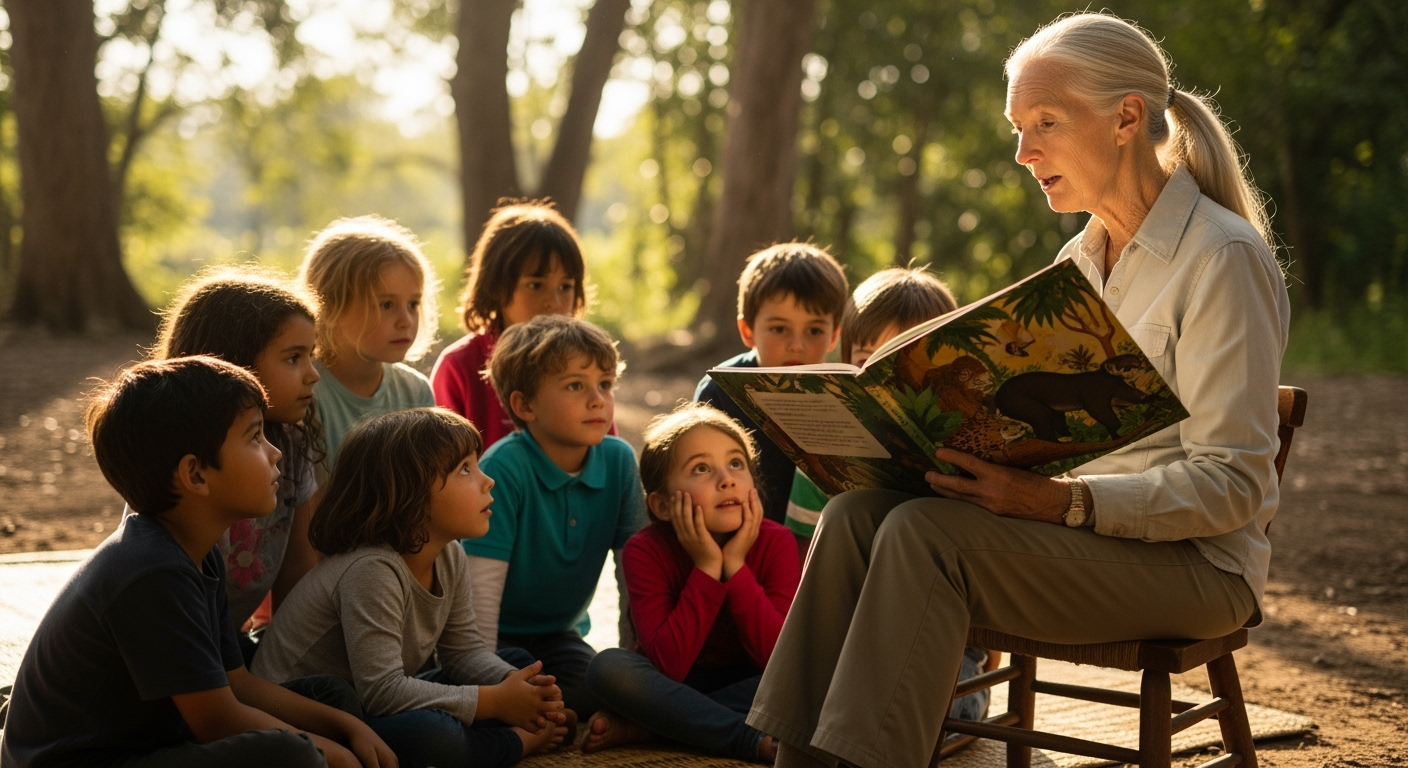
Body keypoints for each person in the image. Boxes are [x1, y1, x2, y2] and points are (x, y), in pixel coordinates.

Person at [749, 12, 1291, 768]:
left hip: (1196, 568)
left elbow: (1232, 485)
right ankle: (795, 758)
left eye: (1045, 122)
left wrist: (1060, 501)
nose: (1021, 151)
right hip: (1079, 538)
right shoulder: (1083, 258)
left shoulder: (1221, 259)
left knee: (922, 538)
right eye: (1017, 126)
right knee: (856, 516)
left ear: (1127, 118)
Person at [0, 357, 394, 768]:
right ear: (196, 475)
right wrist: (335, 756)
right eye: (255, 438)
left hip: (154, 739)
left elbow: (237, 684)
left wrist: (349, 728)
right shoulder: (152, 571)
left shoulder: (199, 553)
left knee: (333, 700)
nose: (275, 453)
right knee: (292, 754)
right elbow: (219, 721)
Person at [252, 409, 570, 768]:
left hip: (372, 699)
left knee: (519, 664)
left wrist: (517, 687)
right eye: (465, 469)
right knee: (434, 735)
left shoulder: (449, 555)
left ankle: (502, 730)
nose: (487, 481)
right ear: (410, 495)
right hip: (311, 711)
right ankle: (515, 742)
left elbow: (462, 653)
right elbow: (383, 691)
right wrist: (496, 702)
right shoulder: (371, 569)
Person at [583, 404, 800, 763]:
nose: (726, 479)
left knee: (814, 677)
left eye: (736, 464)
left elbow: (777, 661)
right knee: (608, 669)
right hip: (673, 685)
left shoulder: (775, 541)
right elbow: (670, 666)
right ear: (662, 505)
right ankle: (741, 738)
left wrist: (736, 567)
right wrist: (707, 567)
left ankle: (657, 725)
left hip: (754, 683)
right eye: (701, 469)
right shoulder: (645, 550)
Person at [463, 314, 648, 723]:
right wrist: (489, 678)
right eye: (575, 385)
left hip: (558, 635)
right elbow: (480, 595)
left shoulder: (619, 461)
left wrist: (636, 668)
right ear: (524, 405)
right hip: (493, 638)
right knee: (518, 691)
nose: (598, 398)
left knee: (598, 685)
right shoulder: (504, 468)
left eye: (605, 384)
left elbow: (635, 573)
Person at [153, 268, 326, 663]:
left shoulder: (291, 445)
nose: (314, 374)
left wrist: (283, 666)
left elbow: (298, 566)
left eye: (311, 356)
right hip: (176, 652)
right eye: (294, 358)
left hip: (235, 649)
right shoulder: (182, 458)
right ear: (233, 364)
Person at [694, 243, 849, 531]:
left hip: (815, 547)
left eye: (814, 331)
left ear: (833, 336)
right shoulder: (721, 391)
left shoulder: (845, 394)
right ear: (748, 331)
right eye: (780, 329)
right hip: (736, 541)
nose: (797, 345)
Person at [431, 200, 591, 451]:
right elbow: (441, 468)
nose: (554, 302)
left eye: (566, 287)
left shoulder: (583, 363)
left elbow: (604, 450)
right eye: (536, 285)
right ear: (496, 286)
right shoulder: (459, 367)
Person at [297, 215, 438, 466]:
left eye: (413, 304)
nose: (406, 320)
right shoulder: (305, 393)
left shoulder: (415, 391)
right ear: (329, 306)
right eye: (386, 305)